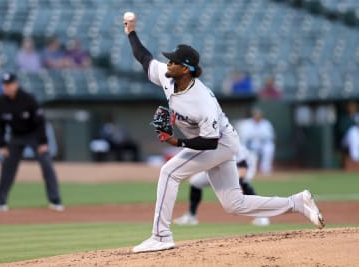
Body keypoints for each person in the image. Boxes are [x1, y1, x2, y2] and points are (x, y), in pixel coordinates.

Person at [124, 13, 324, 253]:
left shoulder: (202, 101)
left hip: (219, 144)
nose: (167, 64)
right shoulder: (169, 78)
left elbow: (209, 142)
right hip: (219, 142)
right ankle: (297, 202)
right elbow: (144, 58)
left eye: (173, 61)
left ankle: (161, 235)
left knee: (169, 172)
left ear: (186, 69)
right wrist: (131, 32)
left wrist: (176, 141)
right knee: (234, 204)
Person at [0, 72, 63, 212]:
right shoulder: (0, 101)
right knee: (7, 168)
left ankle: (55, 200)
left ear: (16, 84)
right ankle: (0, 202)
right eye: (4, 85)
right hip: (15, 136)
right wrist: (2, 145)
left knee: (46, 165)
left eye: (9, 84)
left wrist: (43, 142)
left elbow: (40, 121)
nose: (6, 87)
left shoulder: (28, 99)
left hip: (34, 135)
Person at [174, 145, 270, 226]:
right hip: (217, 168)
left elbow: (243, 167)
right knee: (196, 182)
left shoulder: (232, 145)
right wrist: (179, 178)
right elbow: (193, 165)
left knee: (243, 183)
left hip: (239, 168)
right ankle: (191, 216)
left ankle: (262, 216)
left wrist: (239, 183)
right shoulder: (206, 144)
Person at [239, 108, 275, 175]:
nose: (257, 117)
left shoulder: (266, 123)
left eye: (259, 115)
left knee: (269, 148)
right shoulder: (247, 123)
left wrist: (260, 137)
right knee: (244, 149)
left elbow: (270, 137)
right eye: (256, 115)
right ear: (253, 116)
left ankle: (265, 169)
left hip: (262, 144)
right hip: (251, 144)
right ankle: (248, 170)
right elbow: (244, 137)